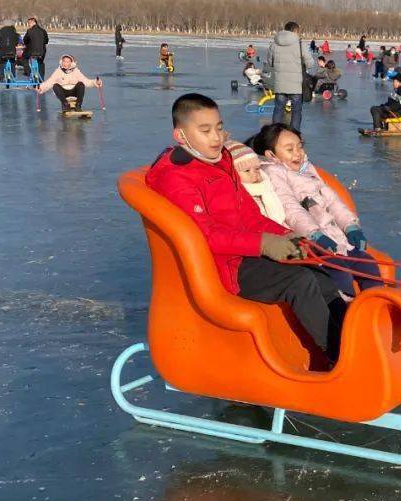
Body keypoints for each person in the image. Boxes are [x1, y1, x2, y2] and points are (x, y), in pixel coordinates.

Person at [146, 94, 347, 366]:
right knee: (299, 281)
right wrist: (264, 244)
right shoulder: (177, 178)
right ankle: (340, 359)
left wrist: (286, 236)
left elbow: (249, 215)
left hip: (244, 252)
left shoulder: (221, 160)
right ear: (180, 135)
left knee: (318, 272)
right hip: (224, 267)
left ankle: (351, 342)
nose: (216, 137)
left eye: (218, 127)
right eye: (204, 130)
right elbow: (204, 235)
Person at [250, 123, 382, 297]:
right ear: (271, 154)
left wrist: (351, 226)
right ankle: (346, 312)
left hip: (337, 238)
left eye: (300, 146)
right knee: (339, 275)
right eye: (290, 149)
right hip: (311, 243)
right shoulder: (274, 172)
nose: (298, 153)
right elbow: (291, 208)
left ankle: (378, 308)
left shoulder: (308, 169)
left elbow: (332, 200)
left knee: (368, 265)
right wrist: (315, 235)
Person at [267, 20, 311, 131]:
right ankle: (294, 134)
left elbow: (269, 62)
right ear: (295, 30)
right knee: (296, 111)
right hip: (295, 85)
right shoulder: (300, 44)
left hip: (280, 84)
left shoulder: (274, 44)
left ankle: (274, 134)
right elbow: (310, 63)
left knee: (278, 109)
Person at [227, 141, 286, 224]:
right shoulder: (235, 196)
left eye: (257, 168)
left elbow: (279, 216)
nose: (254, 174)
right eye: (247, 170)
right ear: (232, 173)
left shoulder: (266, 187)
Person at [38, 54, 102, 111]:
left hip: (74, 92)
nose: (65, 63)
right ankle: (65, 104)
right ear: (61, 62)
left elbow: (86, 82)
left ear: (71, 63)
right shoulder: (58, 71)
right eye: (64, 61)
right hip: (64, 94)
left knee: (81, 84)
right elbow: (49, 82)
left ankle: (78, 105)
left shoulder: (76, 71)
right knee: (55, 85)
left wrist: (95, 82)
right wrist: (41, 88)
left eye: (68, 61)